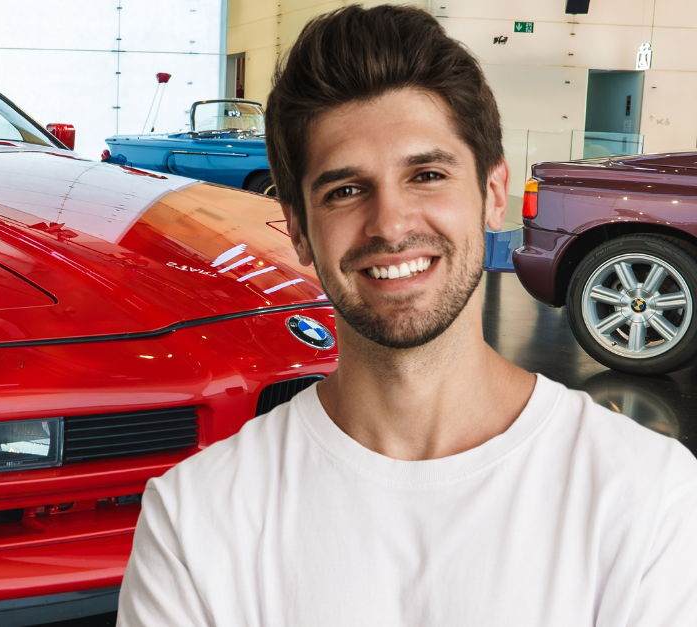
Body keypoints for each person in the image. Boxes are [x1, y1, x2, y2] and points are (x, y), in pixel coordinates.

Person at [116, 5, 697, 626]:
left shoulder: (647, 494)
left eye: (426, 174)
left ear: (493, 193)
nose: (390, 223)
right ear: (299, 232)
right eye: (344, 190)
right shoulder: (197, 518)